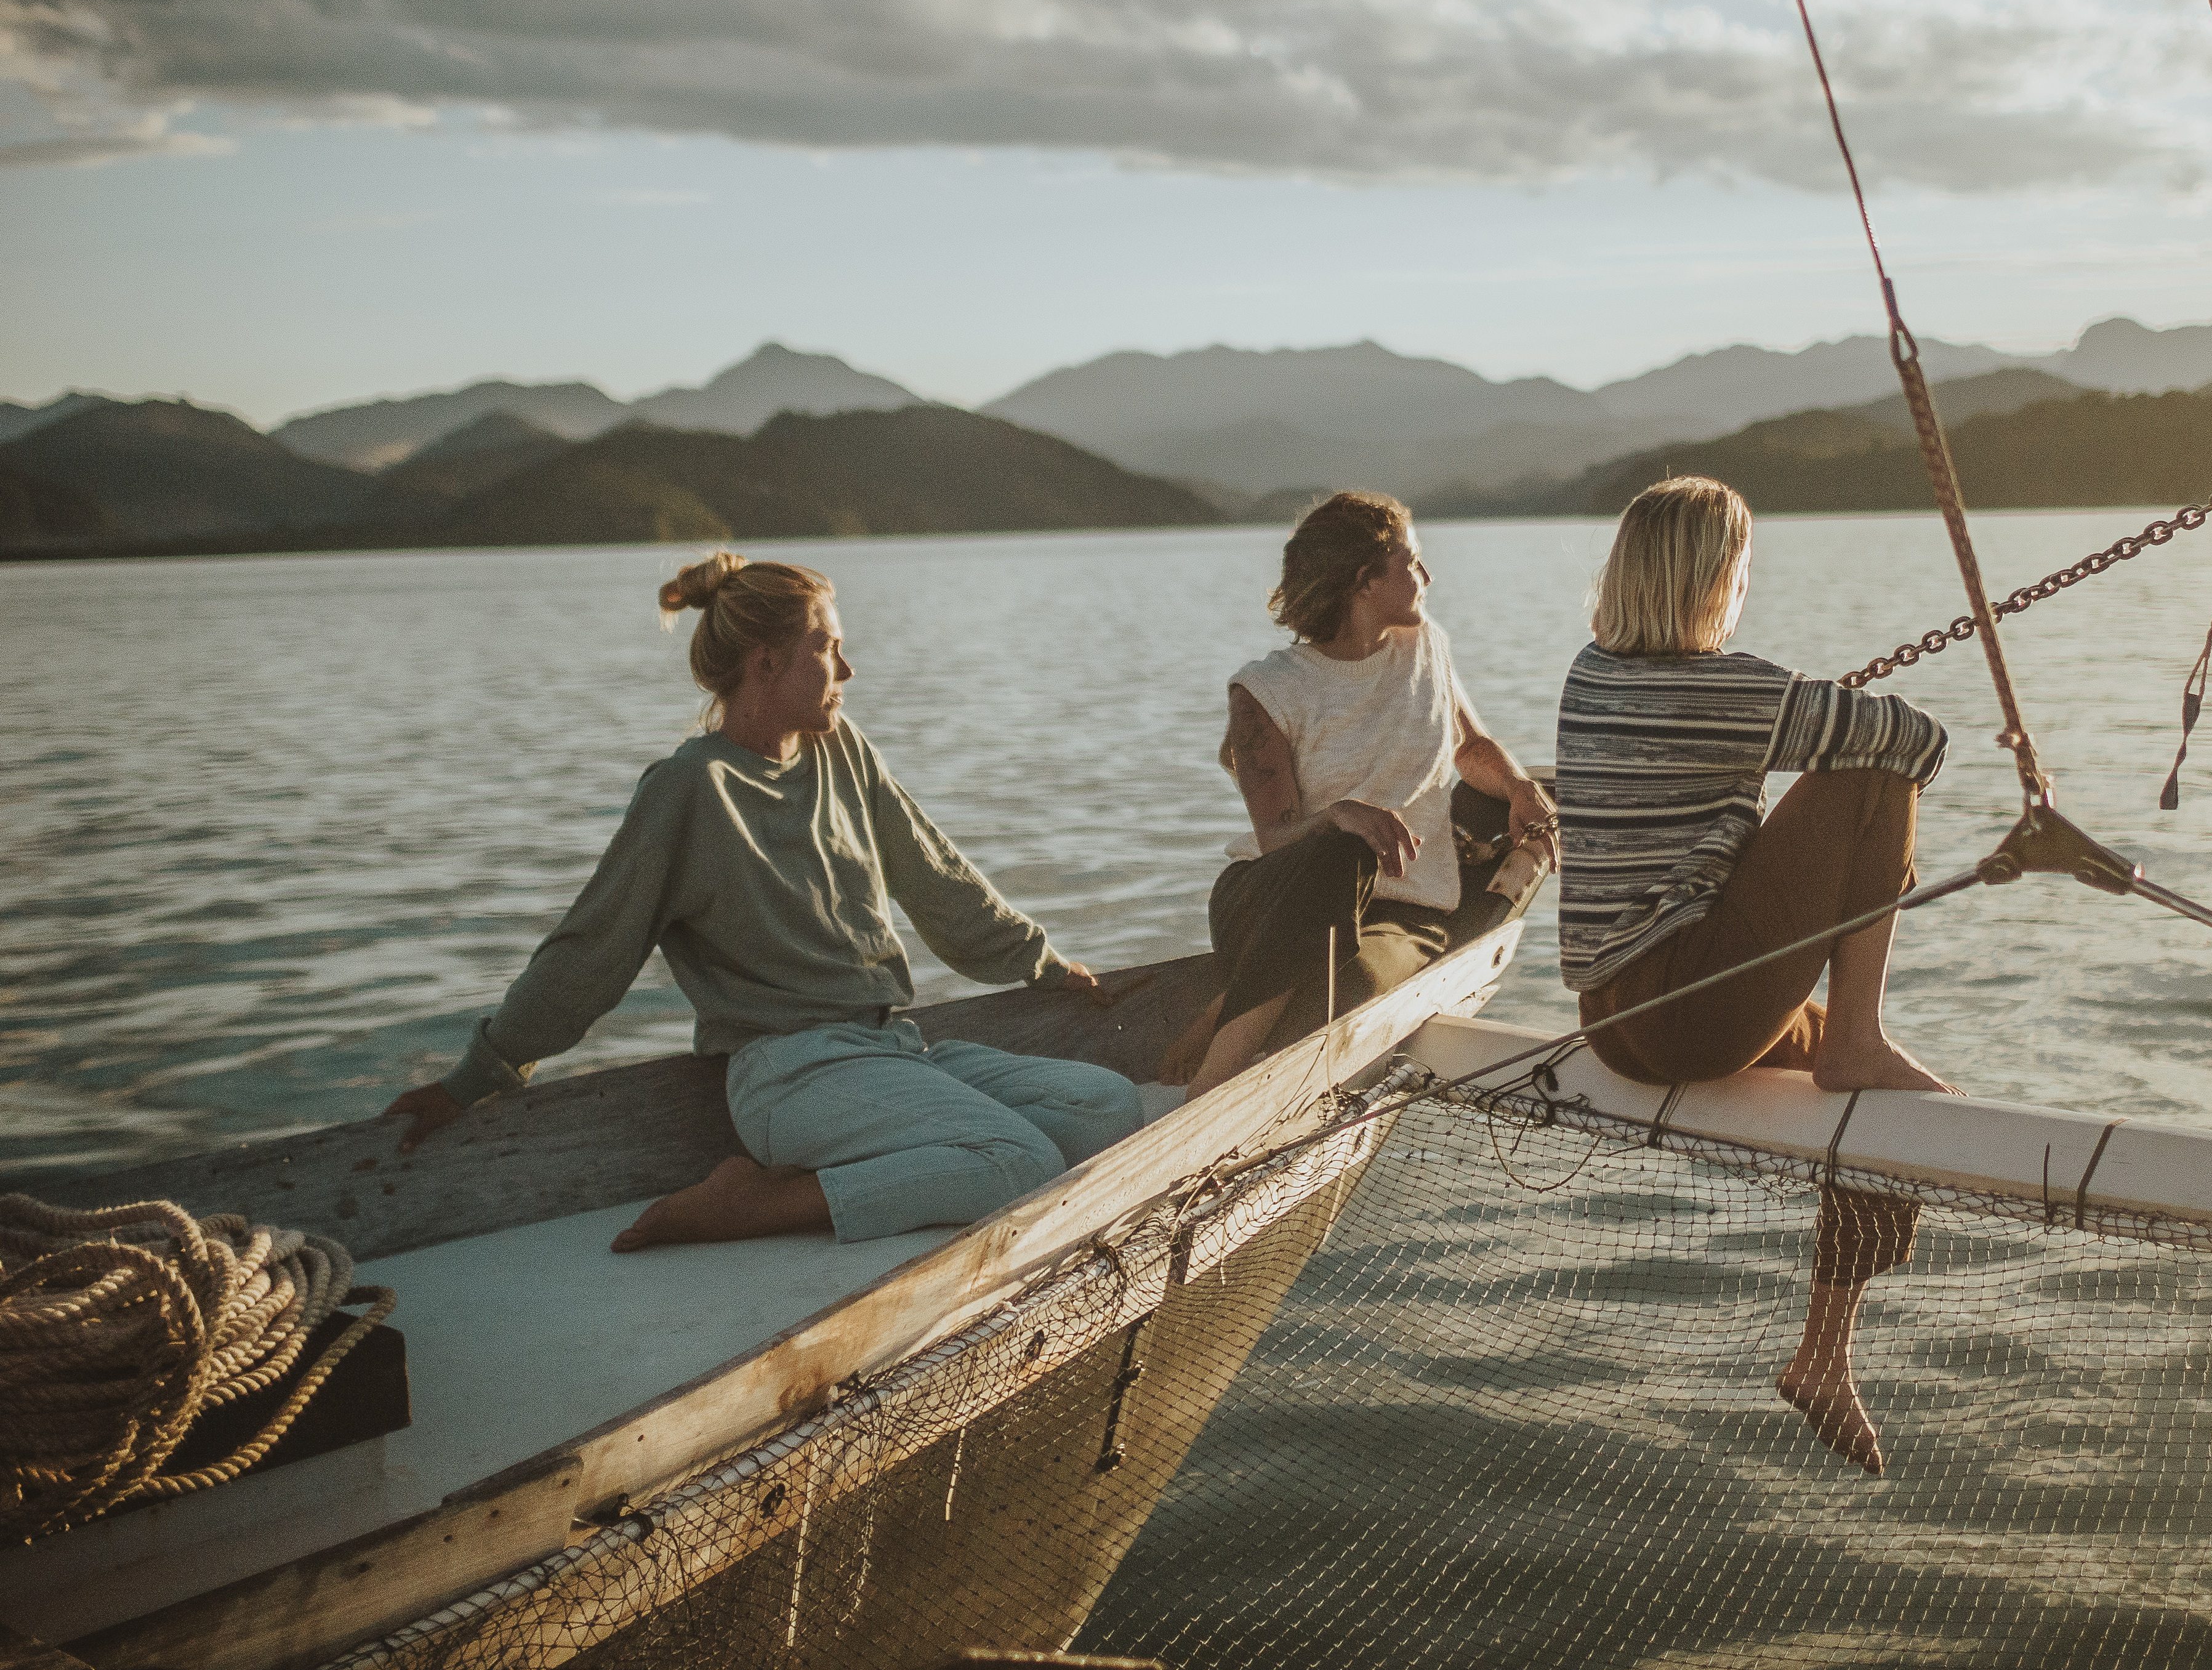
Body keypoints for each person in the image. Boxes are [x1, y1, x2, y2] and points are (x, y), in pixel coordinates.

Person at [382, 554, 1139, 1252]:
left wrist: (1040, 964)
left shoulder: (841, 750)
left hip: (890, 1049)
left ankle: (829, 1183)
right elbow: (591, 950)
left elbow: (936, 874)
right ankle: (753, 1205)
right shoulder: (691, 791)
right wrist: (477, 1077)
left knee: (1105, 1107)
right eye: (828, 648)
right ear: (766, 663)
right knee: (1017, 1159)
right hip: (789, 1075)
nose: (848, 667)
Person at [1555, 477, 1953, 1474]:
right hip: (1692, 1013)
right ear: (1717, 577)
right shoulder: (1731, 693)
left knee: (1895, 1117)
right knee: (1874, 768)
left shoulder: (1590, 674)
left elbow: (1704, 740)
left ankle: (1825, 1357)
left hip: (1611, 1017)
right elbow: (1918, 742)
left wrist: (1786, 714)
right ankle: (1858, 1033)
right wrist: (1805, 711)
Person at [1167, 491, 1554, 1098]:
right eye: (1412, 562)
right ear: (1367, 580)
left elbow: (1471, 747)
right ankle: (1208, 1087)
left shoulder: (1427, 647)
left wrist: (1521, 787)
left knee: (1353, 995)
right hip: (1273, 900)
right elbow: (1276, 839)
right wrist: (1338, 816)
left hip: (1403, 910)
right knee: (1340, 849)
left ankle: (1233, 1005)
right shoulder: (1267, 692)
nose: (1427, 576)